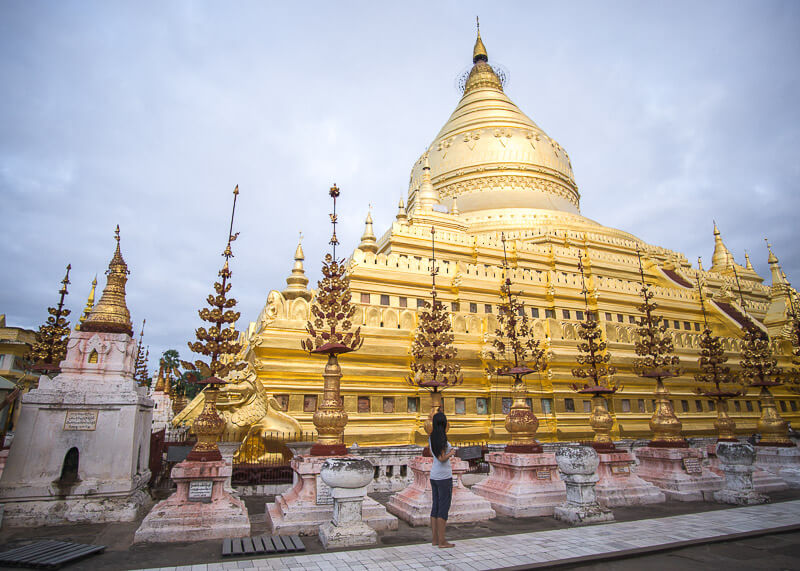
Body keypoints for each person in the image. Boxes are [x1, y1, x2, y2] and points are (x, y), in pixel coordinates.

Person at [429, 410, 457, 548]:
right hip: (444, 477)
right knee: (443, 508)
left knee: (435, 507)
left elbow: (434, 456)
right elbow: (441, 458)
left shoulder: (431, 437)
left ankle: (434, 539)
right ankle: (442, 541)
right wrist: (451, 453)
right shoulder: (442, 439)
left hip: (434, 476)